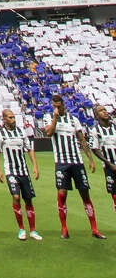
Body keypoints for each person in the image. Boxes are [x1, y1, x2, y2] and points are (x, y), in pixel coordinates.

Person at [43, 94, 104, 239]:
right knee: (62, 194)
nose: (57, 108)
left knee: (85, 194)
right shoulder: (49, 118)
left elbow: (82, 139)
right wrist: (55, 118)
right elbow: (49, 133)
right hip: (61, 163)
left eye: (59, 106)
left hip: (77, 162)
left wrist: (90, 159)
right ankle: (64, 228)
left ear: (63, 104)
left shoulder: (73, 119)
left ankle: (94, 229)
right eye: (55, 106)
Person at [0, 108, 41, 241]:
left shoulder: (21, 132)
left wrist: (35, 166)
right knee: (16, 196)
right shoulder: (0, 134)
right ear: (4, 119)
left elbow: (29, 149)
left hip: (23, 171)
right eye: (10, 117)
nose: (13, 120)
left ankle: (33, 230)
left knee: (29, 199)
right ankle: (21, 229)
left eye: (14, 117)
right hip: (11, 171)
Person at [89, 104, 116, 215]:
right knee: (114, 196)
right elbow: (95, 149)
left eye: (105, 110)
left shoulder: (115, 127)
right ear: (96, 115)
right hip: (110, 167)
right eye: (101, 111)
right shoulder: (95, 131)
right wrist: (109, 163)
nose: (105, 112)